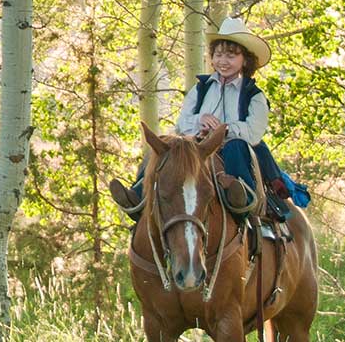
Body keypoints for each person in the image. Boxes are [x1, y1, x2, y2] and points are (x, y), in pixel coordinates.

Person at [110, 17, 293, 222]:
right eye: (219, 55)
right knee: (164, 143)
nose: (223, 61)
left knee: (236, 147)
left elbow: (254, 132)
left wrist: (225, 130)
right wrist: (200, 121)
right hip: (197, 145)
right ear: (212, 58)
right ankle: (138, 194)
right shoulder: (201, 88)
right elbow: (183, 122)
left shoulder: (253, 95)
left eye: (231, 56)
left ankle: (240, 194)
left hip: (233, 147)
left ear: (246, 60)